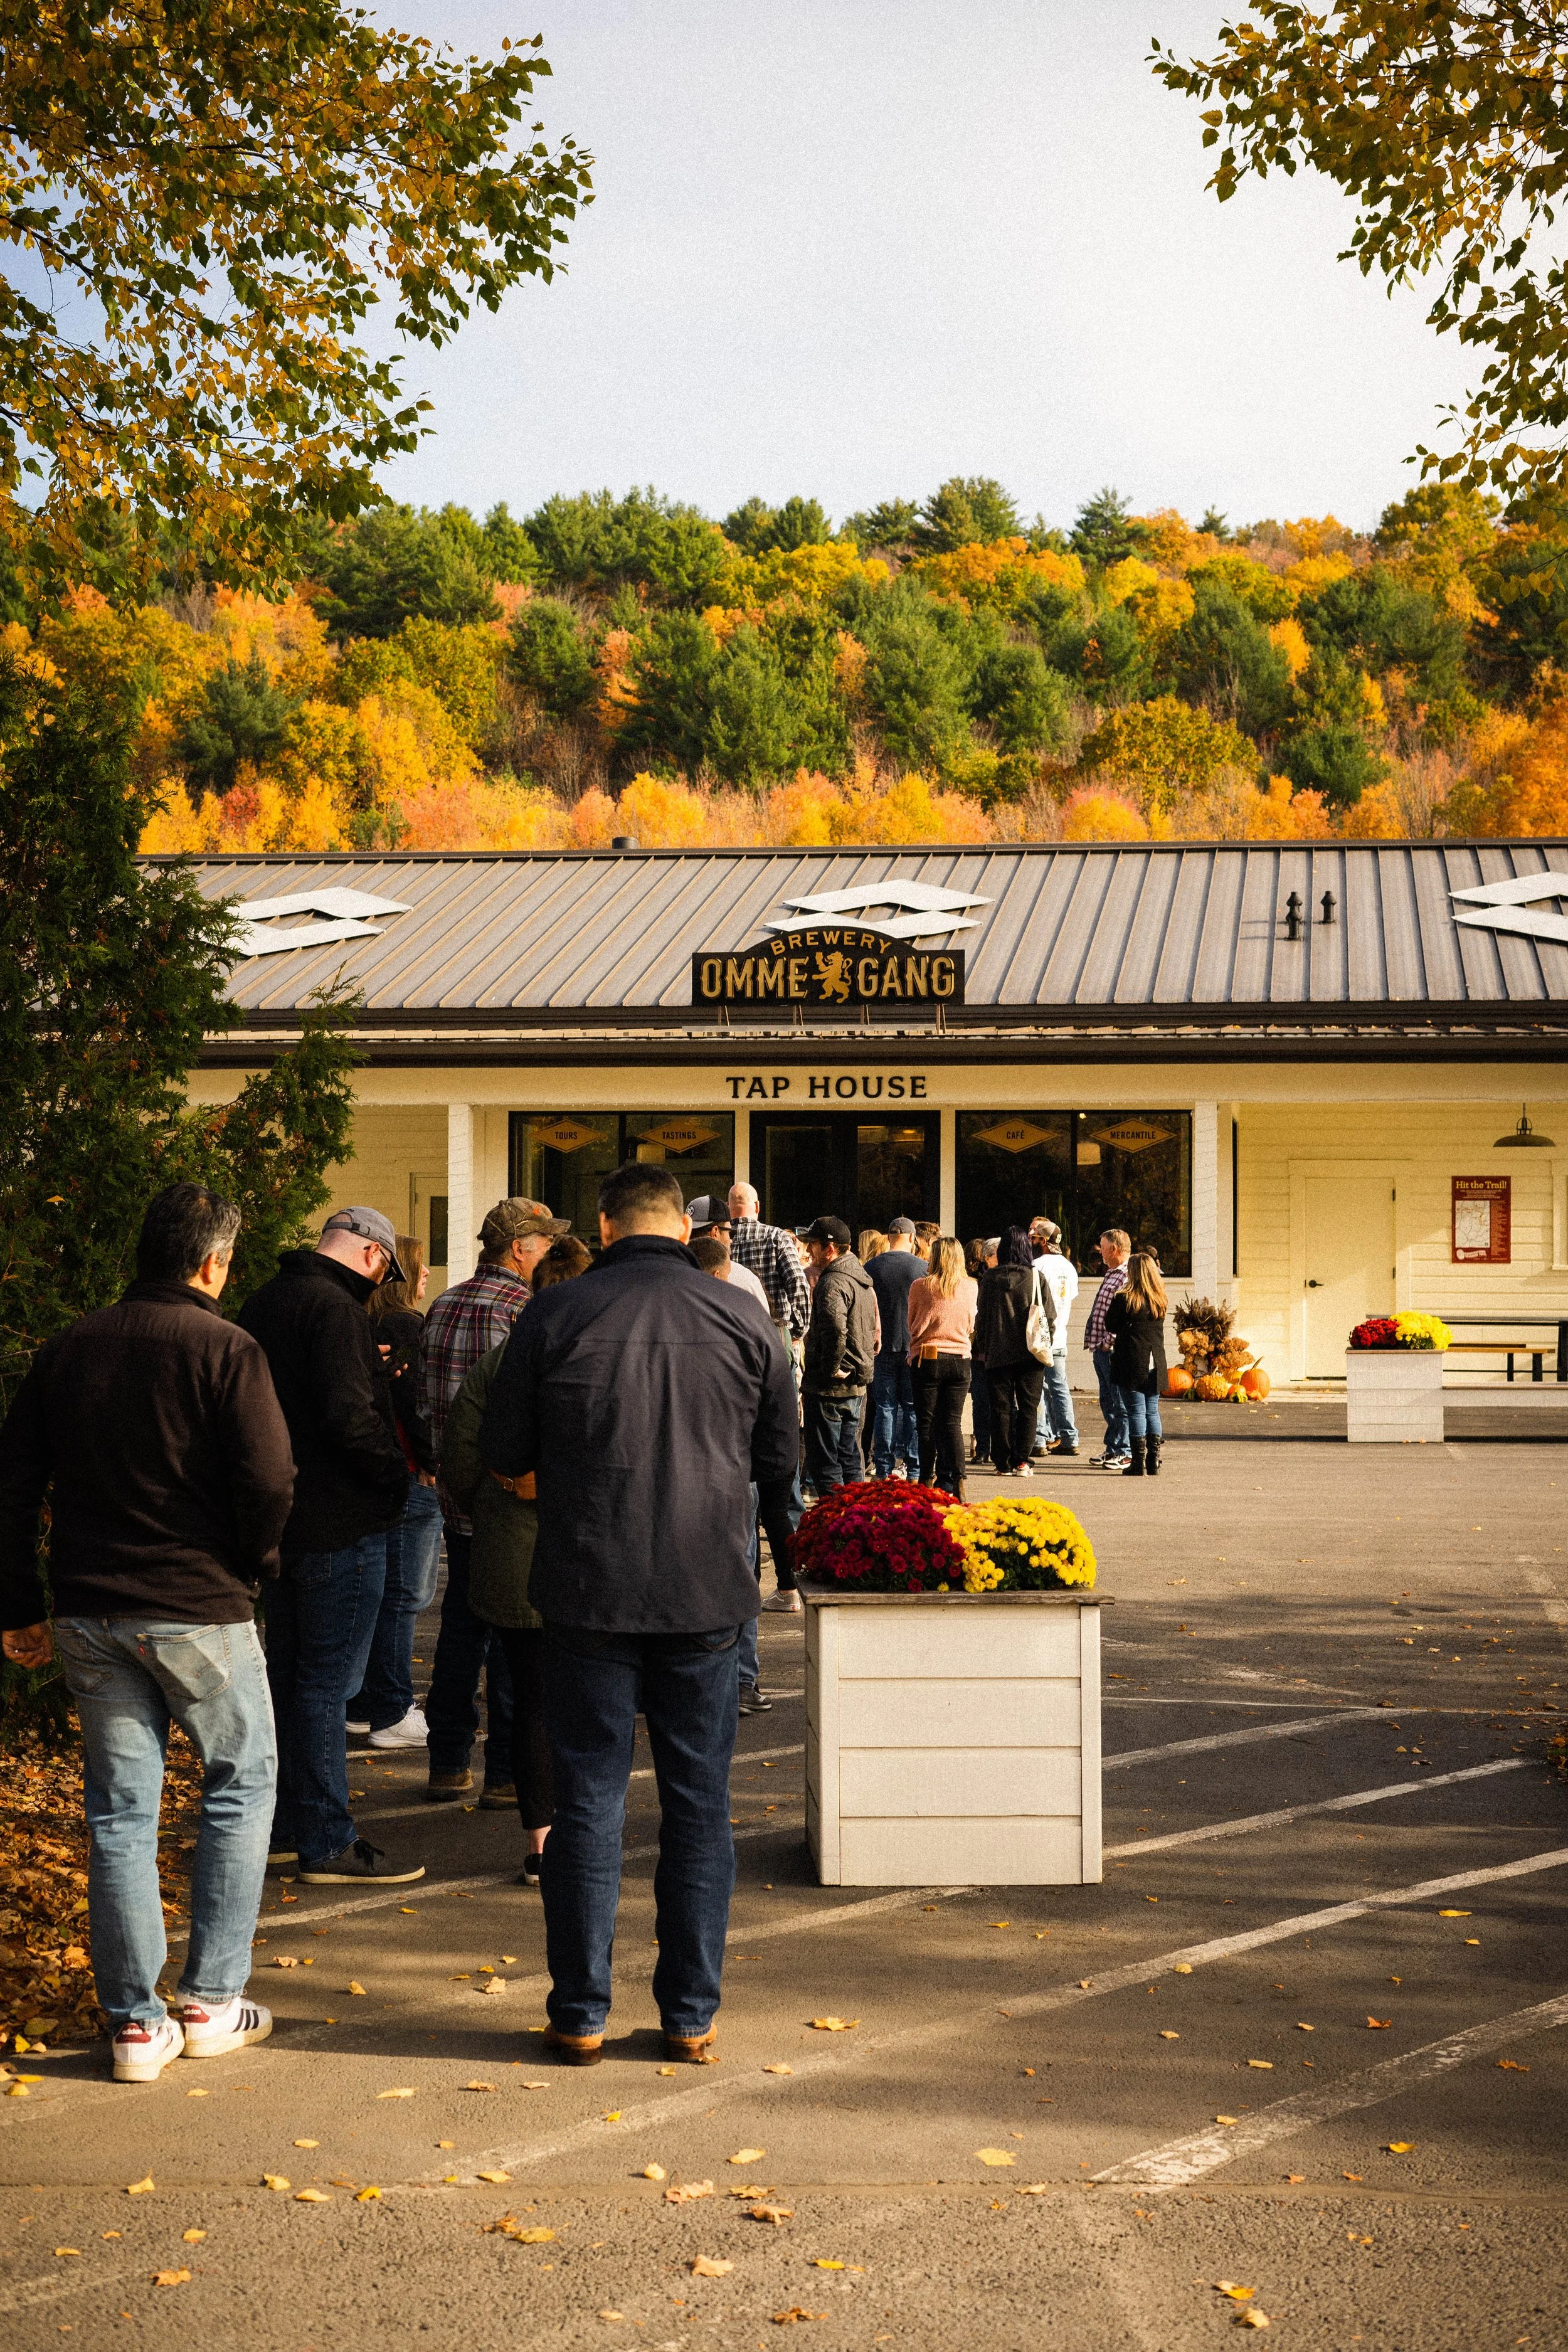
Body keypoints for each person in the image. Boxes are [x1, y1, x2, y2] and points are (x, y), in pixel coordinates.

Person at [479, 1161, 798, 2066]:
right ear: (682, 1224)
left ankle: (579, 2012)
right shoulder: (742, 1313)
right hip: (704, 1587)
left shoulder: (556, 1311)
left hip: (589, 1583)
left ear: (608, 1224)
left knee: (587, 1800)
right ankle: (689, 2013)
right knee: (700, 1805)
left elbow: (505, 1446)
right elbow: (781, 1456)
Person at [0, 1183, 294, 2082]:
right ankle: (209, 1998)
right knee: (240, 1785)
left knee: (120, 1814)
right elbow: (271, 1476)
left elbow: (12, 1481)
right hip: (199, 1604)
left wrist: (19, 1600)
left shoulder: (71, 1346)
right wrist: (256, 1563)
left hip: (93, 1608)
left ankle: (135, 2022)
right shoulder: (228, 1348)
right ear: (212, 1261)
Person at [238, 1205, 423, 1885]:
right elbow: (350, 1417)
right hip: (341, 1520)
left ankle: (288, 1828)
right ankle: (324, 1839)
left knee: (290, 1680)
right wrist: (392, 1481)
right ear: (375, 1258)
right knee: (326, 1685)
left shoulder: (266, 1301)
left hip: (282, 1522)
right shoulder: (336, 1310)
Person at [440, 1239, 589, 1888]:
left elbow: (461, 1460)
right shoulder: (598, 1358)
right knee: (591, 1703)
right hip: (590, 1560)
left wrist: (502, 1493)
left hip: (511, 1556)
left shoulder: (499, 1365)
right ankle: (586, 1834)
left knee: (528, 1701)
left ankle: (542, 1841)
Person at [420, 1198, 566, 1804]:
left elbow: (428, 1407)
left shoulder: (443, 1305)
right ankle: (507, 1773)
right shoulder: (524, 1312)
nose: (552, 1253)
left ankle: (448, 1761)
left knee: (460, 1631)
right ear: (520, 1250)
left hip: (456, 1496)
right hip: (509, 1501)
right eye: (546, 1243)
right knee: (516, 1644)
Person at [346, 1235, 442, 1749]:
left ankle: (363, 1705)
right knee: (405, 1598)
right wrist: (432, 1460)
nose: (425, 1276)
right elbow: (415, 1402)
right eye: (419, 1268)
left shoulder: (366, 1323)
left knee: (382, 1594)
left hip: (383, 1476)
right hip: (411, 1474)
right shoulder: (406, 1325)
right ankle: (391, 1707)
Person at [800, 1215, 877, 1494]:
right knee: (850, 1459)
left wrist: (831, 1367)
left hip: (831, 1388)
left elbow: (835, 1328)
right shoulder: (860, 1279)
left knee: (827, 1465)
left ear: (830, 1249)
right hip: (855, 1384)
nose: (808, 1251)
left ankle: (835, 1529)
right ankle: (856, 1523)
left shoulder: (833, 1282)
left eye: (813, 1246)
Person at [975, 1225, 1052, 1478]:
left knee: (1000, 1408)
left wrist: (983, 1346)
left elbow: (982, 1317)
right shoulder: (1036, 1277)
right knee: (1029, 1407)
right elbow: (1049, 1316)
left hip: (997, 1354)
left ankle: (1002, 1462)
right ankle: (1022, 1461)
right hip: (1031, 1353)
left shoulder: (990, 1278)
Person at [907, 1235, 978, 1498]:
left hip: (928, 1356)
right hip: (961, 1358)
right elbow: (971, 1324)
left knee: (925, 1423)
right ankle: (958, 1481)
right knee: (952, 1424)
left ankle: (926, 1478)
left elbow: (913, 1323)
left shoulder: (920, 1286)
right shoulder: (971, 1286)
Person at [866, 1215, 923, 1481]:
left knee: (884, 1408)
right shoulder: (922, 1268)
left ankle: (883, 1468)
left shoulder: (871, 1267)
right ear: (912, 1238)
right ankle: (913, 1468)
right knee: (911, 1408)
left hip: (882, 1347)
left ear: (888, 1237)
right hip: (913, 1347)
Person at [726, 1183, 811, 1349]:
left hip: (731, 1335)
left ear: (728, 1207)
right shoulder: (777, 1237)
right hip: (774, 1333)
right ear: (757, 1206)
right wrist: (798, 1331)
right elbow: (798, 1283)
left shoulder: (721, 1239)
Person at [1106, 1253, 1168, 1476]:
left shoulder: (1124, 1298)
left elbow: (1110, 1324)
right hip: (1155, 1360)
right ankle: (1153, 1461)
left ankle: (1137, 1463)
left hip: (1132, 1360)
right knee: (1152, 1411)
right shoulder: (1159, 1299)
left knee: (1135, 1411)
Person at [1030, 1217, 1081, 1459]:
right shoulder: (1069, 1268)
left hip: (1040, 1337)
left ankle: (1040, 1439)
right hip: (1060, 1336)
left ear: (1043, 1241)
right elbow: (1068, 1300)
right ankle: (1070, 1437)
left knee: (1037, 1388)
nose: (1032, 1241)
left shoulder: (1037, 1266)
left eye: (1034, 1238)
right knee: (1060, 1389)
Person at [1084, 1228, 1133, 1470]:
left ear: (1114, 1249)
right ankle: (1113, 1447)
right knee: (1108, 1400)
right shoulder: (1111, 1273)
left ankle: (1124, 1451)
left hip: (1111, 1348)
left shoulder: (1126, 1276)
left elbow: (1125, 1312)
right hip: (1101, 1347)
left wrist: (1110, 1340)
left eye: (1103, 1247)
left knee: (1119, 1401)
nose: (1100, 1251)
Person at [686, 1199, 771, 1313]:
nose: (731, 1240)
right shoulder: (745, 1280)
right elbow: (762, 1329)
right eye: (730, 1232)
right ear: (715, 1232)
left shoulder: (670, 1274)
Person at [965, 1238, 996, 1465]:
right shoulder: (977, 1283)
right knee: (981, 1401)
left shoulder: (1000, 1279)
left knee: (996, 1402)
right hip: (981, 1351)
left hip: (992, 1351)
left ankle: (993, 1448)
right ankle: (984, 1447)